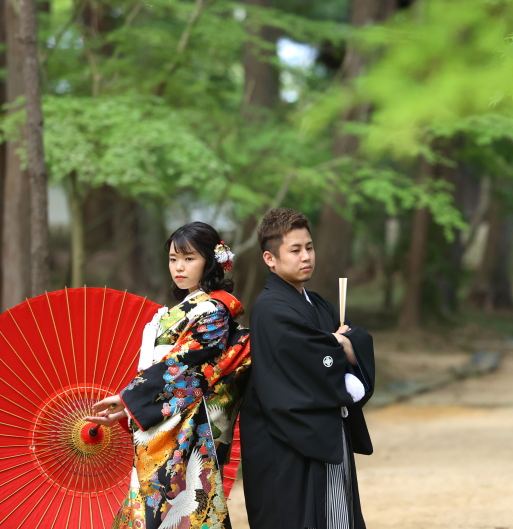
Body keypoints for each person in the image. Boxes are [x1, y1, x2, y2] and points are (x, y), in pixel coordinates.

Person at [85, 222, 251, 529]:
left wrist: (128, 398)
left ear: (211, 261)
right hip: (160, 426)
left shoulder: (213, 311)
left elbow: (183, 366)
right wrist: (128, 408)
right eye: (174, 258)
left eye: (189, 258)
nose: (179, 267)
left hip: (184, 430)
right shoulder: (179, 310)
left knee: (174, 511)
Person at [240, 207, 376, 529]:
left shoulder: (317, 303)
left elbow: (354, 339)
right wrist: (339, 344)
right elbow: (314, 356)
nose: (306, 257)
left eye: (309, 247)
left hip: (325, 430)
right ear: (270, 259)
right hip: (286, 441)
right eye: (295, 250)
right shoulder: (270, 309)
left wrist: (341, 344)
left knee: (336, 515)